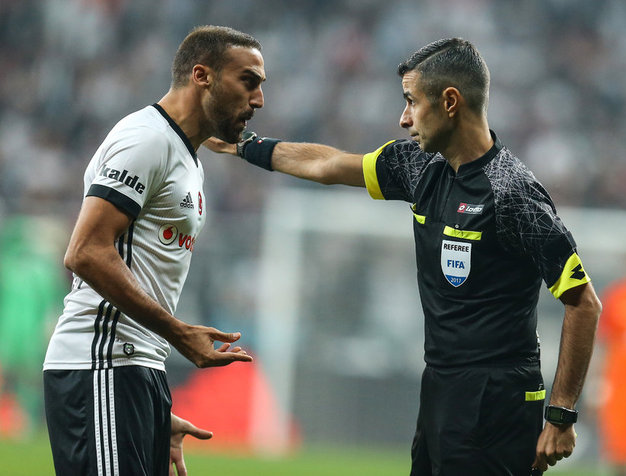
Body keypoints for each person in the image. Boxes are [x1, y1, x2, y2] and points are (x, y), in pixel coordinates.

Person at [206, 38, 602, 475]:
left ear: (450, 101)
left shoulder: (513, 194)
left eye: (412, 101)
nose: (404, 118)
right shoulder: (418, 166)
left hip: (499, 398)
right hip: (439, 386)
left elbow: (584, 303)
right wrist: (245, 146)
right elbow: (328, 164)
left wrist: (561, 415)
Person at [43, 25, 266, 476]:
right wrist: (178, 333)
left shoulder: (188, 158)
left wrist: (152, 409)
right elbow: (85, 251)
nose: (258, 100)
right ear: (202, 75)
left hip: (135, 369)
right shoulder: (147, 139)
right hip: (102, 362)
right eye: (248, 81)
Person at [597, 249, 626, 475]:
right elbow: (604, 343)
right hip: (622, 388)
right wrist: (598, 384)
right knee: (619, 449)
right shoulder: (618, 297)